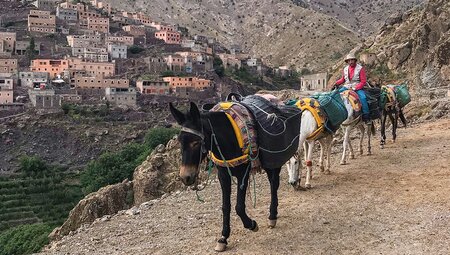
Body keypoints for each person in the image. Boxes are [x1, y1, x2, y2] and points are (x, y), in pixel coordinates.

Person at [332, 53, 370, 123]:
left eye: (352, 60)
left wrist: (355, 88)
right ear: (347, 62)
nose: (351, 62)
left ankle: (366, 116)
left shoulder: (360, 69)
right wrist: (336, 83)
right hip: (346, 86)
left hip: (357, 86)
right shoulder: (345, 69)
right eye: (349, 60)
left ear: (355, 60)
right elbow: (343, 79)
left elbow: (363, 81)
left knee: (363, 98)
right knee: (334, 95)